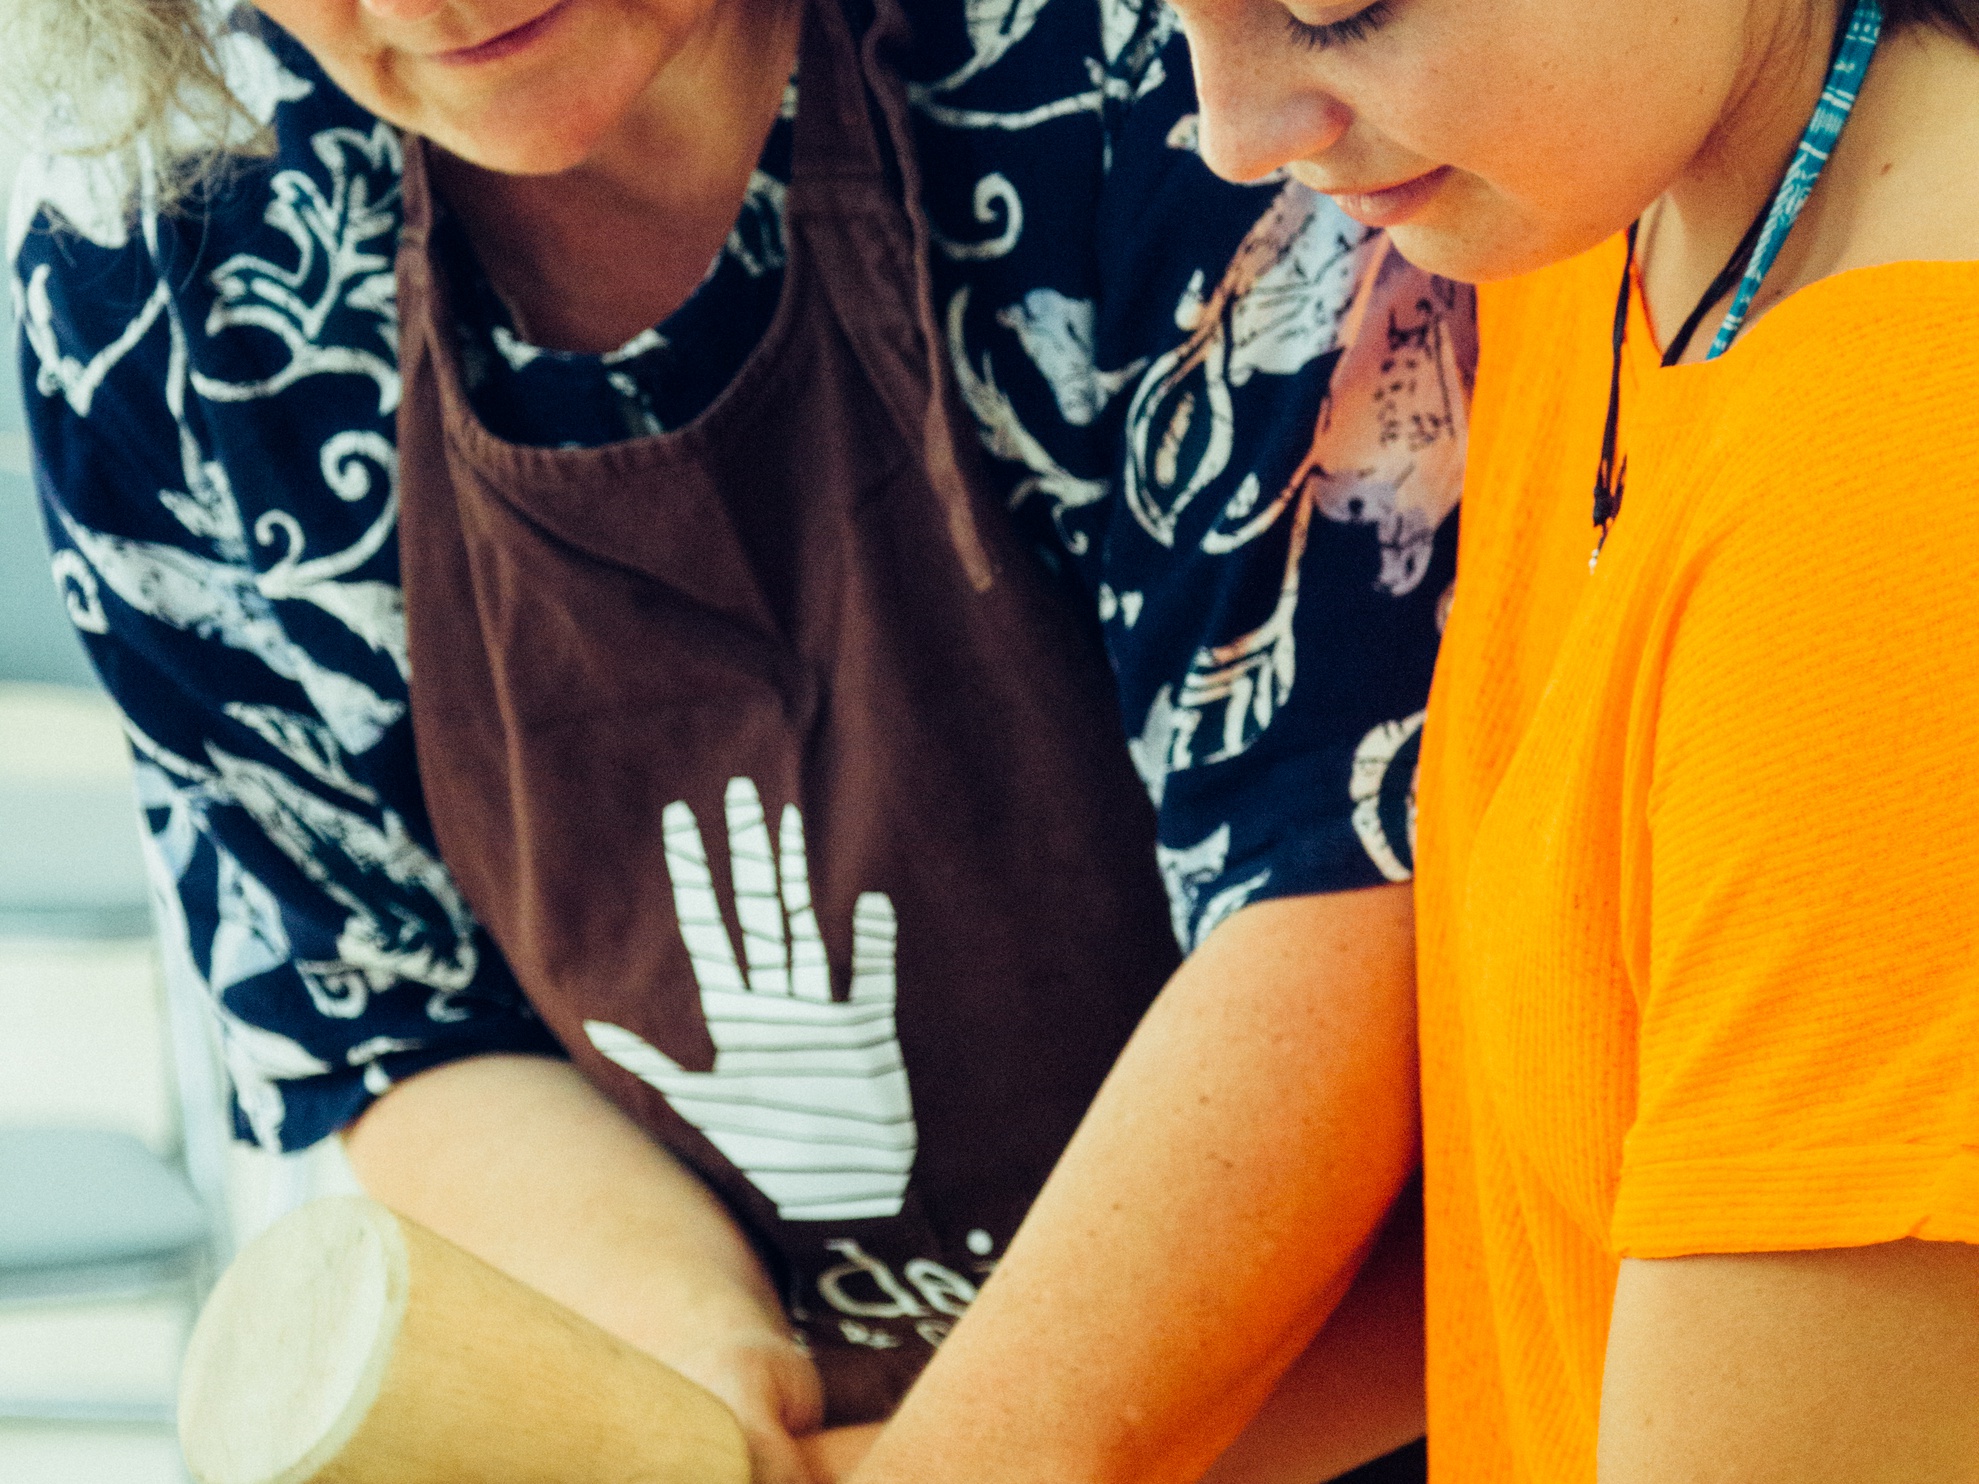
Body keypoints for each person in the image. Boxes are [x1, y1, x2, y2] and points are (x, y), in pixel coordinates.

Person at [8, 1, 1462, 1480]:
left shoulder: (1159, 72)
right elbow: (394, 1011)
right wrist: (703, 1378)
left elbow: (1343, 877)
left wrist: (951, 1463)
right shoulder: (162, 278)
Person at [1119, 0, 1979, 1479]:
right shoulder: (1597, 205)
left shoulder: (1895, 505)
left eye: (1333, 6)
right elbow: (1544, 1239)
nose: (1236, 134)